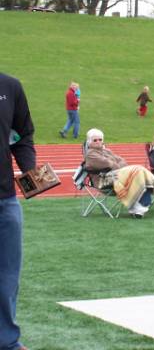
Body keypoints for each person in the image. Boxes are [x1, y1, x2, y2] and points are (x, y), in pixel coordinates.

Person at [1, 73, 35, 350]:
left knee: (7, 276)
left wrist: (30, 169)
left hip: (5, 200)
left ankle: (6, 341)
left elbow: (22, 135)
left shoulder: (10, 86)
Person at [84, 128, 154, 218]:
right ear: (89, 142)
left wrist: (115, 164)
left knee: (140, 172)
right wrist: (115, 164)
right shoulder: (90, 154)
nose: (98, 142)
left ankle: (138, 209)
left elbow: (122, 161)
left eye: (100, 139)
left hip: (116, 176)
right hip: (103, 181)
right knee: (138, 170)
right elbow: (108, 164)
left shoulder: (106, 151)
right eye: (95, 140)